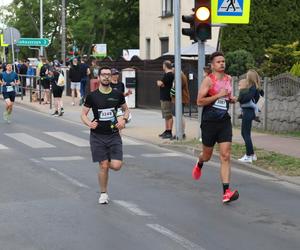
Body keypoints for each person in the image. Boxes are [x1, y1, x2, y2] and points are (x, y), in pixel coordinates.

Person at [192, 51, 239, 204]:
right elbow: (199, 101)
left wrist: (230, 99)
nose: (222, 64)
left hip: (224, 121)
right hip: (209, 123)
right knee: (207, 156)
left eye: (223, 61)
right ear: (212, 65)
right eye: (218, 62)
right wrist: (218, 95)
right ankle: (200, 162)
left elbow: (226, 97)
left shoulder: (228, 79)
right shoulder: (208, 81)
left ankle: (226, 192)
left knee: (225, 155)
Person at [81, 66, 129, 204]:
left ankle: (107, 161)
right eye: (104, 74)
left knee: (116, 165)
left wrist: (123, 119)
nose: (107, 77)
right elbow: (83, 114)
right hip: (97, 136)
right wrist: (89, 123)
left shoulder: (117, 94)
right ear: (99, 77)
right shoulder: (92, 96)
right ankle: (103, 193)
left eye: (109, 74)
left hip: (114, 134)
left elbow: (126, 111)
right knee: (103, 165)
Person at [238, 69, 264, 163]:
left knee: (245, 133)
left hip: (248, 112)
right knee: (245, 133)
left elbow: (246, 98)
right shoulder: (255, 88)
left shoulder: (252, 88)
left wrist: (240, 98)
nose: (246, 78)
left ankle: (248, 156)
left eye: (247, 76)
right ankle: (252, 154)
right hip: (249, 112)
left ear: (250, 78)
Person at [170, 68, 190, 139]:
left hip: (180, 99)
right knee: (179, 116)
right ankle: (180, 132)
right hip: (178, 99)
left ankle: (180, 133)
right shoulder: (179, 75)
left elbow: (177, 88)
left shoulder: (180, 76)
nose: (171, 70)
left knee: (179, 116)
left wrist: (171, 94)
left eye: (172, 68)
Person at [157, 60, 174, 139]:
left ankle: (169, 131)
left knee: (168, 115)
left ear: (165, 65)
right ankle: (167, 130)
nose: (162, 66)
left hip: (167, 97)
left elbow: (160, 83)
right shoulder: (167, 74)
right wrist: (161, 83)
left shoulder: (169, 75)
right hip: (164, 97)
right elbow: (162, 84)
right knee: (165, 115)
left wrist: (160, 83)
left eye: (163, 65)